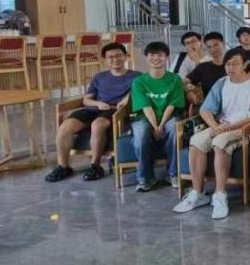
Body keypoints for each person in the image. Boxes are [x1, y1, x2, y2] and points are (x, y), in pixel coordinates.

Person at [172, 49, 250, 219]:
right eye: (227, 64)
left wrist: (226, 128)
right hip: (221, 125)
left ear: (245, 64)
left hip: (246, 128)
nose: (230, 67)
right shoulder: (222, 82)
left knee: (221, 142)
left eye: (235, 63)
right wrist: (216, 126)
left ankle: (220, 194)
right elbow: (206, 109)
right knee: (196, 140)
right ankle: (198, 192)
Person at [46, 43, 141, 182]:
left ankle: (95, 165)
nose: (115, 59)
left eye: (118, 55)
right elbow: (86, 100)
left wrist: (127, 99)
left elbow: (138, 95)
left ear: (126, 56)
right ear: (104, 59)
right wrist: (98, 103)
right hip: (94, 108)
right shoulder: (99, 77)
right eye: (110, 57)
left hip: (115, 110)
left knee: (97, 125)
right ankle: (63, 166)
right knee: (65, 127)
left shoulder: (137, 77)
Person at [131, 41, 186, 192]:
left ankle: (173, 174)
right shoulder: (139, 81)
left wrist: (161, 124)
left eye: (160, 55)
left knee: (174, 129)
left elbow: (172, 104)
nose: (156, 58)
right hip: (145, 117)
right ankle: (145, 178)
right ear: (146, 57)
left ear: (167, 57)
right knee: (140, 135)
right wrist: (155, 126)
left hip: (170, 116)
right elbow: (145, 106)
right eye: (152, 55)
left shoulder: (175, 79)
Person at [184, 32, 227, 105]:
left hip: (234, 105)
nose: (213, 49)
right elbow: (182, 82)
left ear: (223, 43)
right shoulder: (203, 67)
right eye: (209, 47)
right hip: (210, 107)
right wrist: (188, 91)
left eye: (216, 45)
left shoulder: (233, 65)